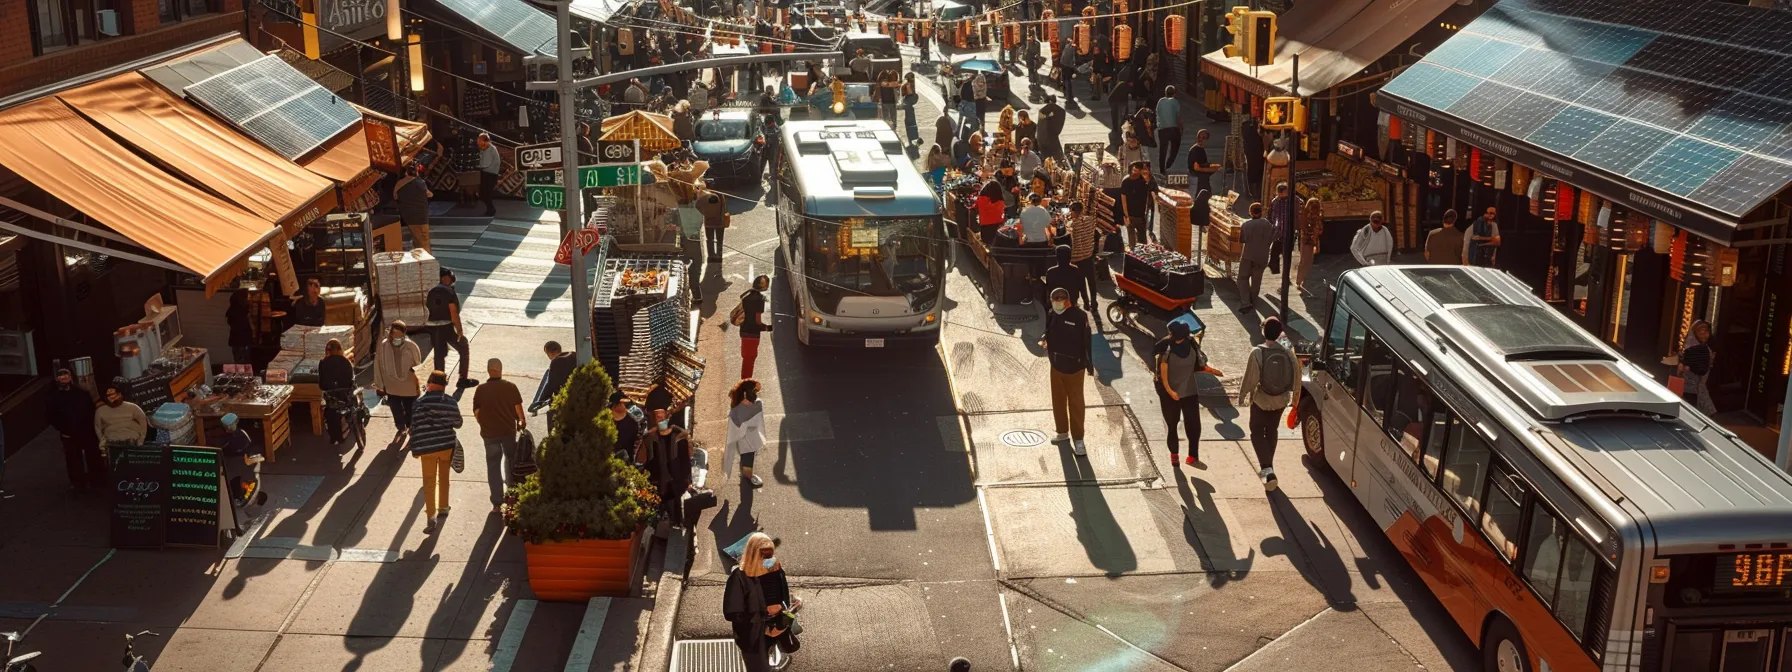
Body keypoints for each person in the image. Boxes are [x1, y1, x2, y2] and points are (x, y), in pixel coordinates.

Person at [1238, 317, 1300, 491]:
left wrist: (1242, 395)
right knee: (1271, 431)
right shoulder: (1288, 352)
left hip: (1261, 400)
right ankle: (1268, 469)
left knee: (1256, 432)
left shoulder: (1258, 352)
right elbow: (1296, 375)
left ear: (1263, 331)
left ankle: (1267, 470)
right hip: (1281, 400)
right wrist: (1295, 400)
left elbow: (1251, 378)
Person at [1156, 320, 1220, 466]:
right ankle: (1192, 456)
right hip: (1189, 390)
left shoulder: (1164, 346)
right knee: (1193, 423)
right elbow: (1201, 362)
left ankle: (1174, 456)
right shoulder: (1192, 343)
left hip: (1169, 393)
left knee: (1172, 425)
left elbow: (1159, 372)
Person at [723, 531, 787, 671]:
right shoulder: (739, 577)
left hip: (774, 627)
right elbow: (732, 613)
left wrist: (785, 608)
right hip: (753, 637)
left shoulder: (773, 568)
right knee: (758, 667)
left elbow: (782, 593)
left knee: (770, 653)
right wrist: (764, 619)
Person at [1040, 287, 1092, 455]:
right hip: (1056, 366)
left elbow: (1087, 341)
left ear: (1067, 300)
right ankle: (1062, 432)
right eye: (1055, 298)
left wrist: (1089, 364)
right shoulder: (1051, 314)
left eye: (1060, 298)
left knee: (1076, 404)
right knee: (1058, 400)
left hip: (1075, 368)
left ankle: (1079, 440)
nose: (1057, 301)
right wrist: (1046, 341)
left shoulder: (1080, 316)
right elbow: (1048, 332)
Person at [473, 358, 526, 513]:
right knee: (511, 462)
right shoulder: (510, 387)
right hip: (507, 431)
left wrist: (482, 423)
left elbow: (476, 411)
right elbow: (518, 408)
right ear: (501, 370)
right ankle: (513, 497)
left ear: (488, 370)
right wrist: (522, 421)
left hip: (489, 434)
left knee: (493, 466)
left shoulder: (481, 389)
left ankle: (497, 503)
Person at [411, 371, 462, 531]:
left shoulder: (419, 403)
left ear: (430, 382)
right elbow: (458, 423)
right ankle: (444, 507)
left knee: (429, 481)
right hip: (445, 445)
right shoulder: (450, 402)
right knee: (444, 477)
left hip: (427, 447)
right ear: (444, 386)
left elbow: (414, 426)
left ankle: (430, 516)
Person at [49, 369, 102, 490]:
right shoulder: (53, 397)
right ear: (56, 379)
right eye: (60, 376)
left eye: (65, 375)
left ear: (70, 377)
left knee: (92, 456)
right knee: (73, 460)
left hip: (86, 431)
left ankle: (97, 480)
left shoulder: (82, 394)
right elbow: (51, 416)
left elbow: (90, 411)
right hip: (69, 433)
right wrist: (63, 429)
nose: (63, 378)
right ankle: (78, 483)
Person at [640, 407, 693, 527]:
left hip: (677, 476)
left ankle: (680, 523)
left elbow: (686, 459)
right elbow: (644, 459)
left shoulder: (679, 436)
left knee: (678, 501)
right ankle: (667, 525)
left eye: (662, 417)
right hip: (660, 477)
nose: (660, 419)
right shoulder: (651, 438)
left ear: (667, 418)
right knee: (664, 502)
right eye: (657, 417)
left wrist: (688, 479)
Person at [426, 269, 476, 388]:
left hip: (432, 327)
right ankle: (462, 379)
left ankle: (439, 382)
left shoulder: (431, 291)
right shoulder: (448, 292)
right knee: (463, 348)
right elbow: (454, 313)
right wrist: (460, 332)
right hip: (446, 327)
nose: (451, 280)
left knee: (439, 354)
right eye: (449, 277)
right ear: (443, 278)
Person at [374, 322, 423, 439]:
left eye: (400, 336)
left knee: (410, 410)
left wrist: (419, 383)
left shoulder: (411, 346)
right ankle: (401, 427)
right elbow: (378, 365)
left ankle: (410, 427)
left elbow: (419, 366)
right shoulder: (384, 346)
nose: (397, 339)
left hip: (409, 387)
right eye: (395, 335)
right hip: (391, 386)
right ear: (390, 334)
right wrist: (379, 384)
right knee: (396, 410)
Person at [726, 379, 767, 487]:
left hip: (741, 437)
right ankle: (748, 477)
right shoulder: (756, 405)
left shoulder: (736, 404)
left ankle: (745, 470)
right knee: (749, 458)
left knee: (745, 455)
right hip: (749, 438)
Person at [1237, 202, 1274, 311]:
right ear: (1261, 212)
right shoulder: (1268, 225)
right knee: (1256, 280)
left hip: (1248, 255)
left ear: (1250, 212)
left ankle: (1246, 301)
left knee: (1242, 278)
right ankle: (1253, 300)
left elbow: (1242, 240)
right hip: (1262, 256)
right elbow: (1273, 237)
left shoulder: (1246, 225)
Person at [319, 339, 356, 444]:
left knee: (330, 412)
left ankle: (334, 437)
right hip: (345, 396)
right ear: (340, 349)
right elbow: (350, 380)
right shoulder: (346, 362)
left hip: (332, 397)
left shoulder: (323, 363)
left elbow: (321, 384)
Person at [530, 340, 576, 423]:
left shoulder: (556, 362)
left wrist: (540, 401)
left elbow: (550, 384)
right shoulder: (573, 355)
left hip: (562, 398)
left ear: (550, 352)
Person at [94, 381, 147, 448]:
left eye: (113, 394)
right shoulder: (100, 411)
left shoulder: (133, 407)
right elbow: (98, 428)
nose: (111, 398)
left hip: (132, 442)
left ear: (119, 394)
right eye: (109, 395)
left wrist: (141, 440)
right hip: (112, 443)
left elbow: (143, 423)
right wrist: (102, 442)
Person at [394, 162, 434, 252]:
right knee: (424, 241)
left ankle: (419, 260)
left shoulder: (399, 183)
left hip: (407, 215)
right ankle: (426, 262)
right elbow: (429, 194)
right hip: (420, 216)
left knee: (416, 239)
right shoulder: (420, 182)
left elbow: (395, 196)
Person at [1679, 320, 1717, 414]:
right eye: (1701, 331)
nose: (1704, 334)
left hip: (1693, 389)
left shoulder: (1703, 348)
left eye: (1706, 331)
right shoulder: (1694, 348)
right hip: (1688, 388)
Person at [740, 275, 770, 379]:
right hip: (753, 334)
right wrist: (767, 328)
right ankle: (745, 384)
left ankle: (745, 382)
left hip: (744, 331)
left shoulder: (746, 297)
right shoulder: (759, 300)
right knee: (750, 360)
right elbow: (757, 321)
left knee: (746, 359)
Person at [1118, 161, 1154, 246]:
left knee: (1143, 241)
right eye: (1133, 170)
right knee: (1132, 241)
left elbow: (1150, 195)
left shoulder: (1144, 181)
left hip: (1141, 216)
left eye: (1137, 171)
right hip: (1130, 215)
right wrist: (1126, 215)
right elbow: (1123, 199)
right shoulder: (1126, 181)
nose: (1135, 172)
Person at [1296, 198, 1325, 296]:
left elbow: (1320, 228)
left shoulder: (1317, 215)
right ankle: (1300, 281)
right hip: (1307, 240)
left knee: (1309, 261)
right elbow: (1303, 227)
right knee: (1305, 260)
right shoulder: (1305, 215)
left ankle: (1303, 279)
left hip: (1313, 240)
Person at [610, 391, 646, 462]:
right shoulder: (608, 418)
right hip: (612, 454)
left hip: (629, 455)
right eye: (623, 403)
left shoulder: (632, 416)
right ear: (615, 405)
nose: (626, 405)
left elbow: (641, 419)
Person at [1266, 182, 1294, 270]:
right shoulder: (1274, 202)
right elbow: (1270, 215)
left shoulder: (1290, 201)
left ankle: (1285, 269)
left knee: (1286, 252)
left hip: (1287, 230)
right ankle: (1274, 266)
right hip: (1277, 230)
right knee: (1275, 250)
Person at [1155, 86, 1182, 174]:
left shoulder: (1160, 101)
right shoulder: (1175, 102)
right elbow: (1178, 118)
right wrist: (1181, 128)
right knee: (1176, 145)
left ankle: (1162, 169)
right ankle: (1169, 161)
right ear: (1174, 93)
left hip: (1162, 129)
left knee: (1162, 149)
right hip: (1173, 128)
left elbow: (1158, 114)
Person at [699, 188, 729, 260]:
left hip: (709, 222)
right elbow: (724, 209)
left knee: (710, 240)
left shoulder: (705, 196)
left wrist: (704, 213)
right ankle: (719, 256)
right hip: (719, 222)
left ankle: (711, 256)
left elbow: (698, 205)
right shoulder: (721, 196)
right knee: (719, 240)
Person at [1186, 129, 1217, 198]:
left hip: (1200, 174)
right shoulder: (1196, 150)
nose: (1201, 140)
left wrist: (1214, 166)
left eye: (1203, 138)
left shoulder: (1200, 149)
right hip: (1197, 175)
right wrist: (1211, 170)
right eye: (1200, 138)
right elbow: (1196, 168)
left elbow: (1203, 163)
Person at [227, 288, 254, 364]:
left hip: (240, 341)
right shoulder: (238, 313)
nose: (248, 300)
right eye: (246, 298)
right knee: (242, 360)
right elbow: (241, 328)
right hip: (240, 341)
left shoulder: (235, 311)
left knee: (241, 360)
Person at [976, 179, 1006, 246]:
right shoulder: (999, 202)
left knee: (987, 243)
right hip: (995, 227)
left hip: (984, 226)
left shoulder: (981, 199)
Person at [477, 133, 501, 217]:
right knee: (484, 194)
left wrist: (477, 166)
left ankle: (491, 209)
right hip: (488, 173)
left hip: (490, 174)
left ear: (484, 141)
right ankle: (490, 209)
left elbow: (485, 164)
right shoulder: (487, 148)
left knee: (485, 194)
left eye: (479, 141)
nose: (478, 143)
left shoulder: (489, 149)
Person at [1038, 95, 1066, 160]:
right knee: (1057, 157)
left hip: (1045, 137)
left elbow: (1040, 126)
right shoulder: (1061, 111)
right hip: (1053, 136)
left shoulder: (1043, 110)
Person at [901, 73, 921, 144]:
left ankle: (913, 138)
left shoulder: (908, 85)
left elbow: (909, 93)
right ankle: (914, 137)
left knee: (910, 122)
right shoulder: (912, 84)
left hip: (909, 109)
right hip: (909, 108)